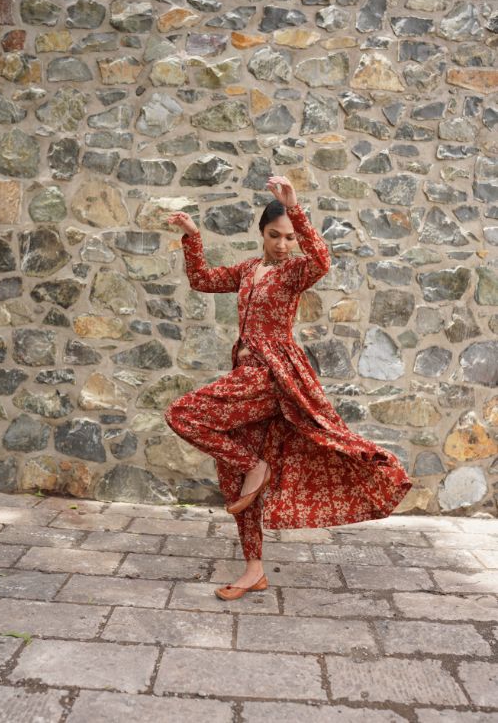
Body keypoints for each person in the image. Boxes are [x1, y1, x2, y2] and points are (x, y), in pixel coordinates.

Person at [165, 175, 412, 600]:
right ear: (262, 233)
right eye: (275, 235)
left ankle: (255, 466)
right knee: (236, 478)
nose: (283, 244)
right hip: (245, 374)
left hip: (270, 375)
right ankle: (254, 569)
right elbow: (202, 279)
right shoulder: (248, 270)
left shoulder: (296, 271)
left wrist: (295, 208)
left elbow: (322, 260)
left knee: (181, 413)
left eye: (290, 237)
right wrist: (192, 236)